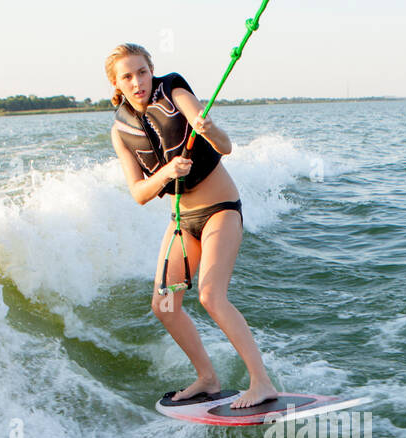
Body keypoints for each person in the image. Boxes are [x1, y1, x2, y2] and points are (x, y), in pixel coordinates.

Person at [106, 42, 280, 409]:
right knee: (165, 305)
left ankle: (261, 382)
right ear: (116, 85)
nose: (137, 81)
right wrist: (167, 172)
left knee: (210, 296)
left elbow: (226, 145)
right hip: (183, 222)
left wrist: (207, 128)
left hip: (220, 210)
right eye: (127, 76)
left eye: (142, 71)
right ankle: (207, 378)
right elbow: (138, 193)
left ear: (151, 70)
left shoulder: (173, 91)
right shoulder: (120, 131)